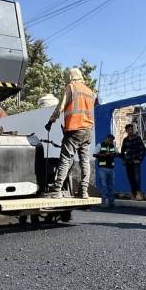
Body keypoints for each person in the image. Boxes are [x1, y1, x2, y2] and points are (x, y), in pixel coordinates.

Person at [44, 67, 95, 198]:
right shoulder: (90, 92)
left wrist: (51, 121)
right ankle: (84, 191)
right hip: (87, 130)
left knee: (65, 159)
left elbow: (60, 107)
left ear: (72, 76)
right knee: (85, 161)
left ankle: (57, 190)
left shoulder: (71, 87)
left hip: (74, 129)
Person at [120, 124, 146, 201]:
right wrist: (123, 160)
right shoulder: (125, 140)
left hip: (136, 162)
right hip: (128, 162)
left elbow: (143, 150)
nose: (130, 131)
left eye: (131, 129)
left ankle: (139, 194)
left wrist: (139, 159)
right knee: (130, 179)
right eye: (128, 130)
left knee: (137, 178)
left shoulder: (137, 138)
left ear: (133, 130)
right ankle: (133, 194)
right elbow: (122, 152)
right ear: (126, 131)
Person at [93, 134, 117, 207]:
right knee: (103, 185)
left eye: (112, 141)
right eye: (110, 140)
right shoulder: (100, 145)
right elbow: (94, 154)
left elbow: (117, 154)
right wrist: (104, 155)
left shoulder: (113, 146)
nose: (111, 142)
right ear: (106, 139)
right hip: (102, 168)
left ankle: (111, 202)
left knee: (111, 185)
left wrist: (114, 154)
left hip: (111, 168)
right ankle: (104, 201)